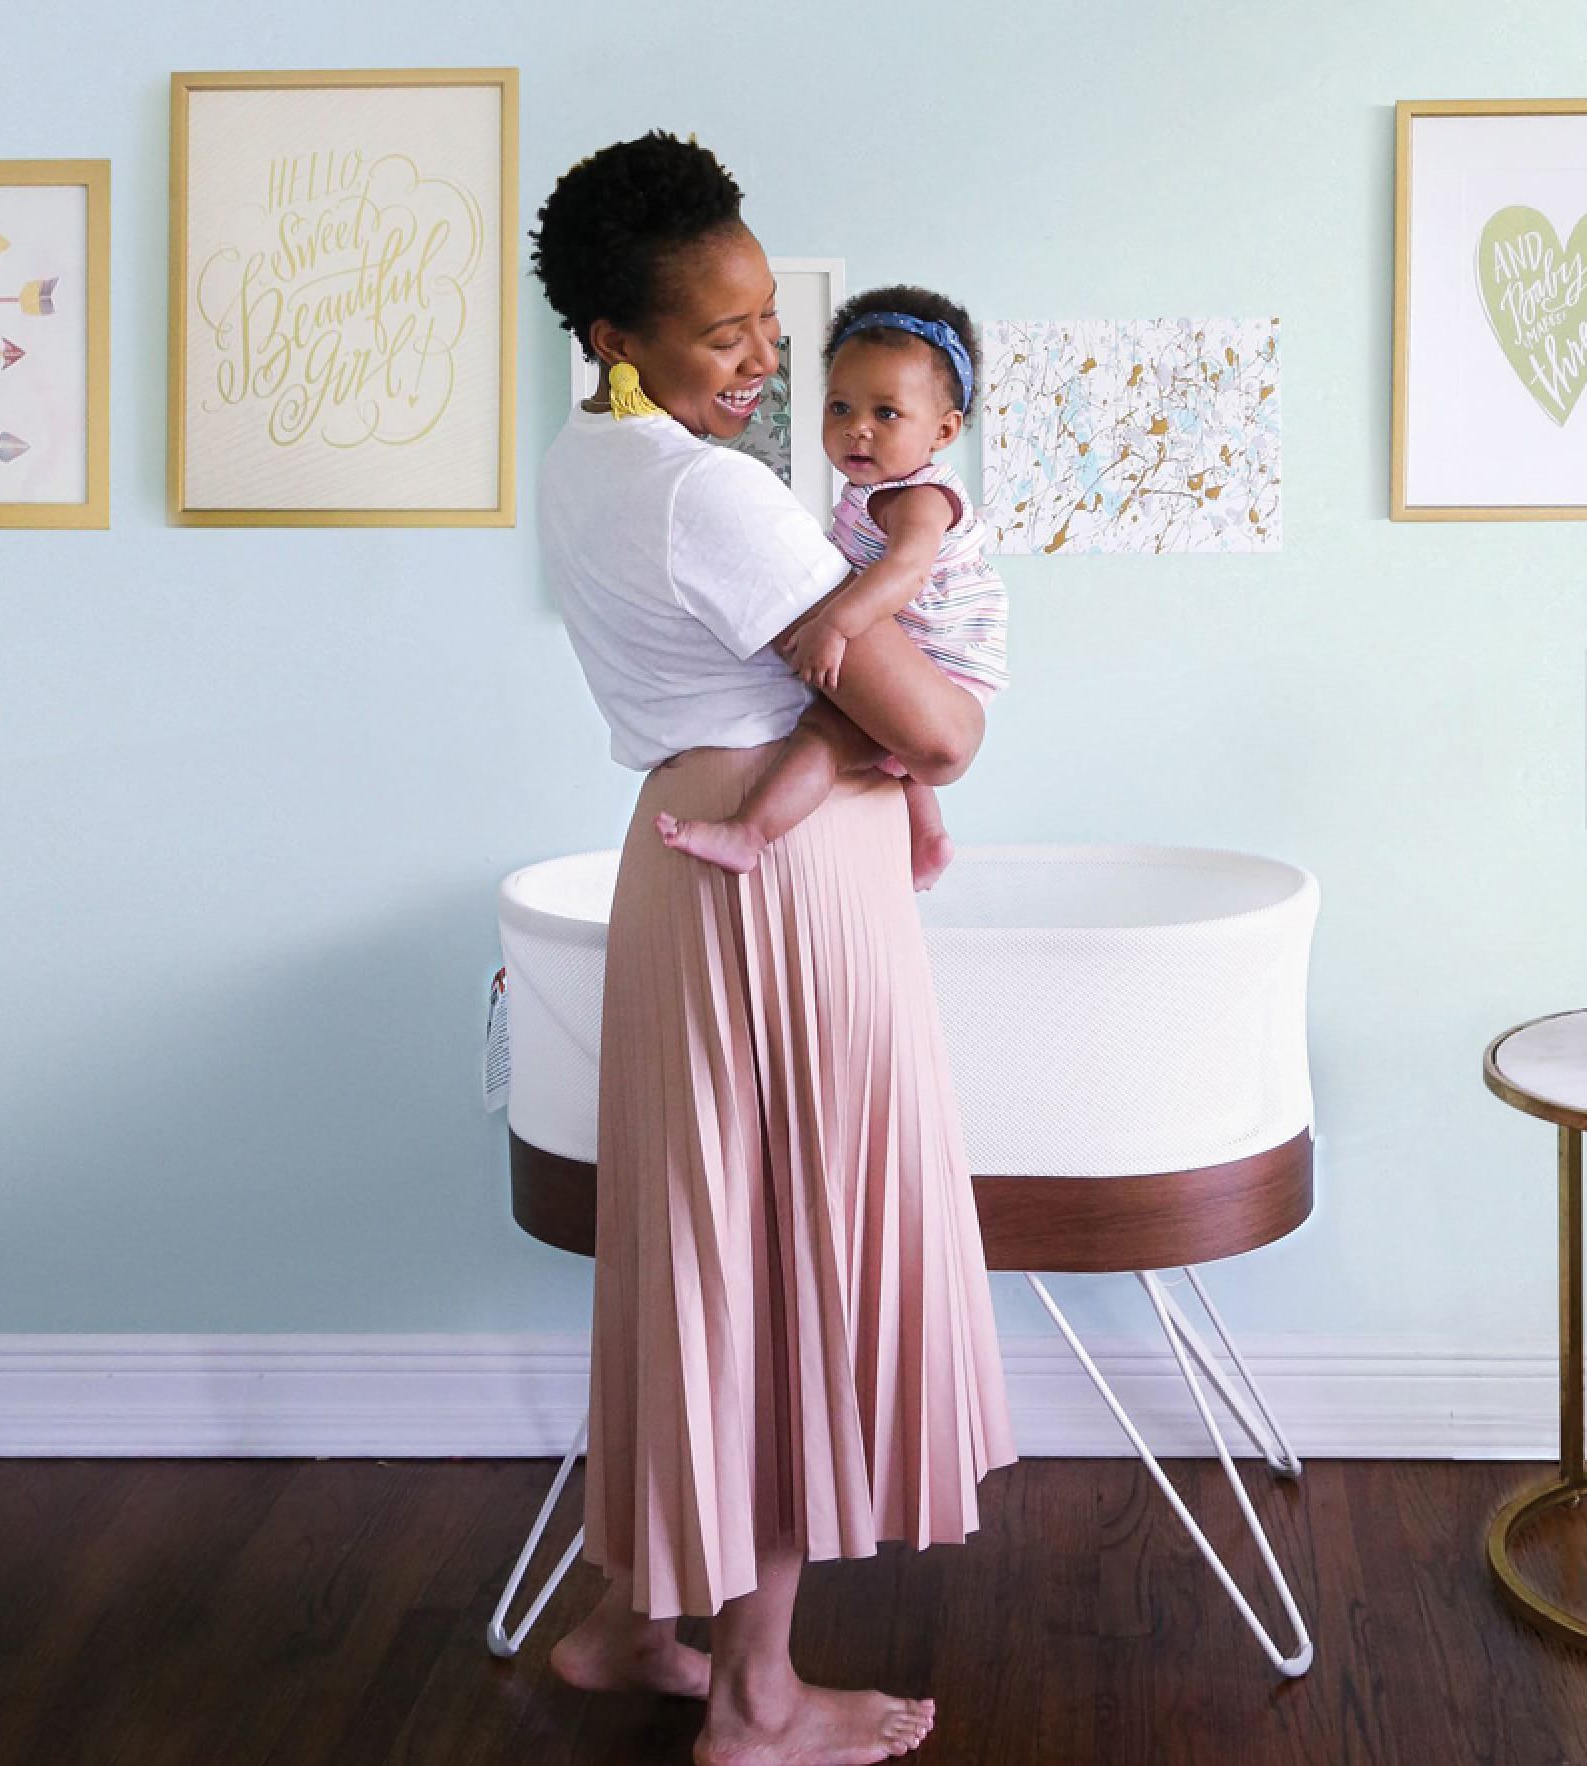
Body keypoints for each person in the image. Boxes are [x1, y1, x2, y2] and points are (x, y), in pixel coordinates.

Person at [530, 130, 1015, 1766]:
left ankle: (624, 1620)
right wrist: (934, 709)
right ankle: (757, 1693)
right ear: (612, 338)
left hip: (688, 858)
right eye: (712, 333)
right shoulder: (713, 494)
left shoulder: (581, 461)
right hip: (784, 887)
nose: (755, 360)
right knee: (791, 1269)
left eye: (763, 324)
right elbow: (933, 728)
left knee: (702, 1252)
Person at [654, 286, 1008, 894]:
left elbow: (906, 573)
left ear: (944, 430)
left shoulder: (921, 498)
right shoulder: (877, 494)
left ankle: (750, 832)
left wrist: (836, 624)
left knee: (820, 735)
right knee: (878, 745)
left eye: (886, 414)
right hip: (928, 657)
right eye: (840, 408)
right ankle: (928, 839)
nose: (857, 430)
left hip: (942, 663)